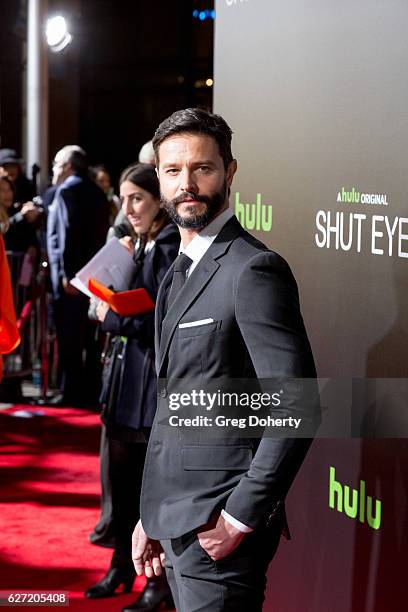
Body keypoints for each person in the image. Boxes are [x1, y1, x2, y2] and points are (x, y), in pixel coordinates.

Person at [131, 108, 320, 611]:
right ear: (159, 178)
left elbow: (298, 406)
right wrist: (150, 515)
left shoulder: (254, 269)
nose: (186, 185)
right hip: (175, 521)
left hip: (220, 531)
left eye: (203, 169)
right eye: (173, 172)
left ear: (229, 172)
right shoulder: (177, 273)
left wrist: (240, 517)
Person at [85, 163, 178, 612]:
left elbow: (159, 321)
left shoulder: (169, 246)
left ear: (159, 198)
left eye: (136, 197)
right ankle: (122, 565)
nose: (128, 207)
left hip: (147, 385)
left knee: (144, 488)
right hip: (125, 379)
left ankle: (154, 583)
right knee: (120, 484)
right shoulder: (141, 242)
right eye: (123, 199)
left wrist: (113, 317)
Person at [46, 145, 110, 406]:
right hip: (95, 276)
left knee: (69, 336)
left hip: (71, 280)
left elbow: (65, 234)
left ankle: (70, 392)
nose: (54, 169)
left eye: (57, 164)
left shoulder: (67, 191)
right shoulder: (98, 192)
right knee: (90, 336)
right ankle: (92, 390)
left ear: (69, 166)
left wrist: (66, 273)